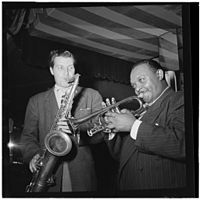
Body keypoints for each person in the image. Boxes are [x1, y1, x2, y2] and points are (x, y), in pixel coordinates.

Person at [20, 49, 104, 192]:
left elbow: (101, 133)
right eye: (60, 67)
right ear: (51, 70)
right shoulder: (36, 101)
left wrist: (77, 130)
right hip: (48, 173)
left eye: (70, 67)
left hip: (81, 174)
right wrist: (34, 155)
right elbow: (28, 137)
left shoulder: (92, 95)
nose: (67, 73)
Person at [104, 59, 186, 191]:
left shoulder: (180, 99)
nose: (137, 89)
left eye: (141, 80)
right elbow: (123, 155)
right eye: (134, 85)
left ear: (159, 74)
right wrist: (114, 128)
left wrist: (133, 126)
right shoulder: (141, 112)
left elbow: (183, 144)